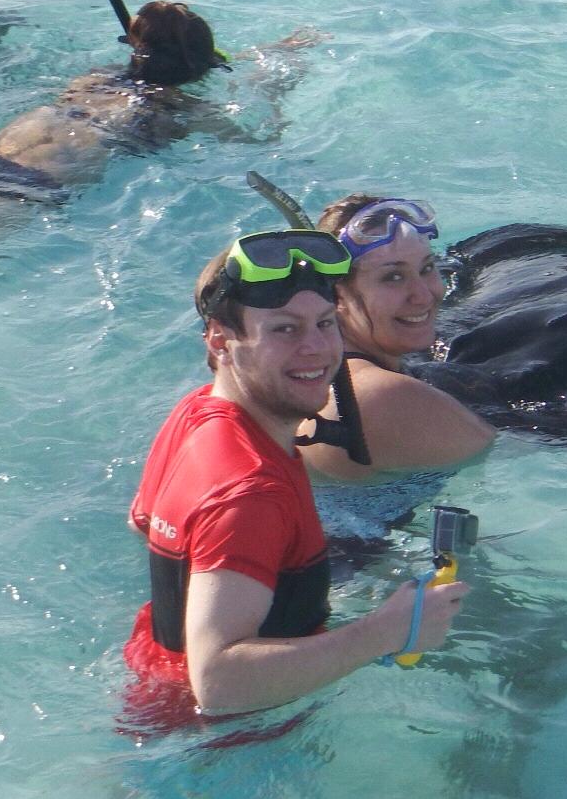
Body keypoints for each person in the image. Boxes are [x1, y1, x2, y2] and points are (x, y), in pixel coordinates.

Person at [123, 229, 469, 718]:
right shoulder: (251, 494)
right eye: (285, 329)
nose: (316, 349)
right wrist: (387, 631)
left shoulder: (196, 414)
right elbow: (219, 685)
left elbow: (142, 524)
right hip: (230, 752)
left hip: (151, 699)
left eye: (325, 324)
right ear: (222, 341)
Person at [0, 0, 314, 295]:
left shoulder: (94, 77)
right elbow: (264, 143)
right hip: (17, 190)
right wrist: (271, 87)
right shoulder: (186, 111)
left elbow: (166, 63)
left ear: (135, 46)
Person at [302, 194, 496, 480]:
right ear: (336, 295)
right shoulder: (379, 398)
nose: (424, 294)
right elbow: (516, 454)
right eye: (393, 277)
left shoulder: (315, 380)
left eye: (427, 268)